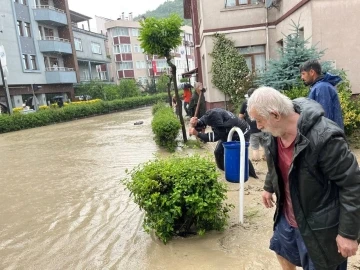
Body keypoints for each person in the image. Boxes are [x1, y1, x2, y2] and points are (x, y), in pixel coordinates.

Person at [247, 87, 360, 270]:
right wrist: (269, 187)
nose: (258, 126)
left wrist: (348, 233)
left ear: (275, 115)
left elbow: (352, 184)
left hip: (320, 226)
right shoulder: (274, 133)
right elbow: (275, 162)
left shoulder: (325, 137)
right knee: (280, 249)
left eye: (259, 121)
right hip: (288, 216)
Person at [189, 108, 258, 178]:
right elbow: (203, 121)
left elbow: (214, 137)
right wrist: (196, 122)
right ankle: (225, 171)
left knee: (240, 153)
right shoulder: (211, 114)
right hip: (227, 133)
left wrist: (197, 134)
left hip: (242, 132)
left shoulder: (224, 123)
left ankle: (253, 176)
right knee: (217, 152)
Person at [300, 59, 344, 129]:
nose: (302, 77)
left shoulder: (322, 88)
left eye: (303, 74)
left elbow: (325, 117)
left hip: (328, 137)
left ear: (311, 72)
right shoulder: (318, 86)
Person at [239, 88, 266, 161]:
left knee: (254, 147)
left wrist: (244, 120)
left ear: (248, 95)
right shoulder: (262, 102)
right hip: (263, 128)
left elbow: (240, 116)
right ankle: (266, 157)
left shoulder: (245, 103)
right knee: (265, 144)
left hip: (252, 129)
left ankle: (256, 158)